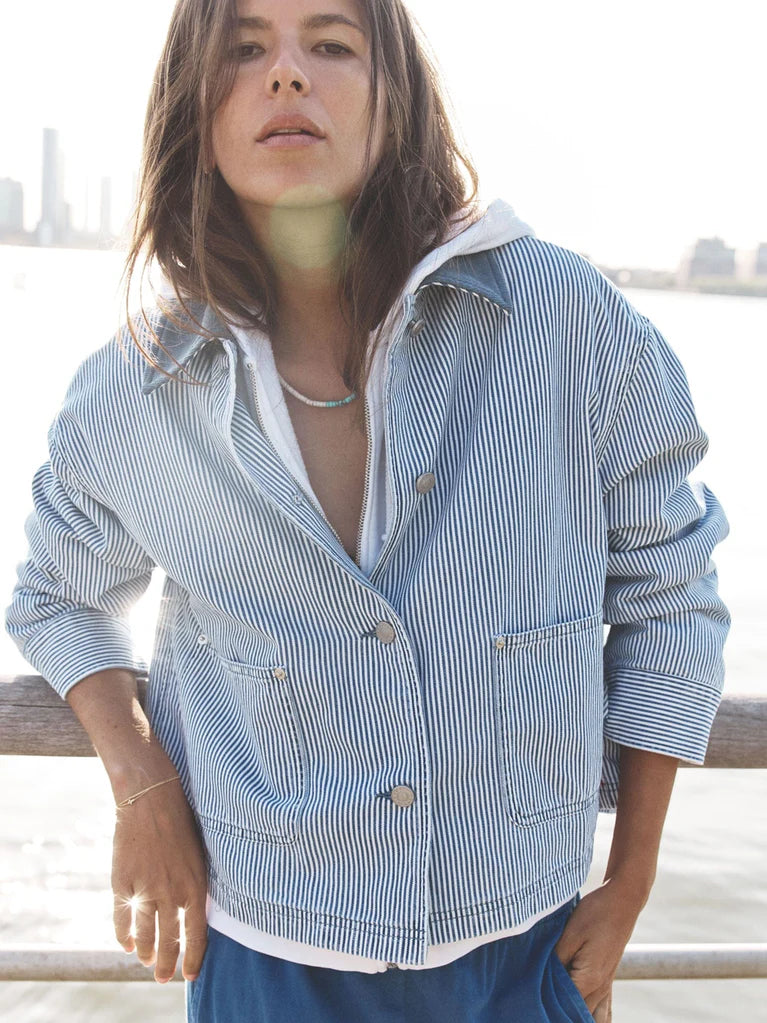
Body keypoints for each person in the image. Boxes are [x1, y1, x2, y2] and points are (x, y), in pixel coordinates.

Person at [5, 0, 730, 1020]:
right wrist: (142, 783)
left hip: (526, 949)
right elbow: (55, 596)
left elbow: (670, 594)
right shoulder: (135, 388)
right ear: (191, 113)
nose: (285, 74)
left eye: (331, 43)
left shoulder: (566, 321)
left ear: (397, 97)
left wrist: (630, 881)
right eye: (243, 48)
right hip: (266, 955)